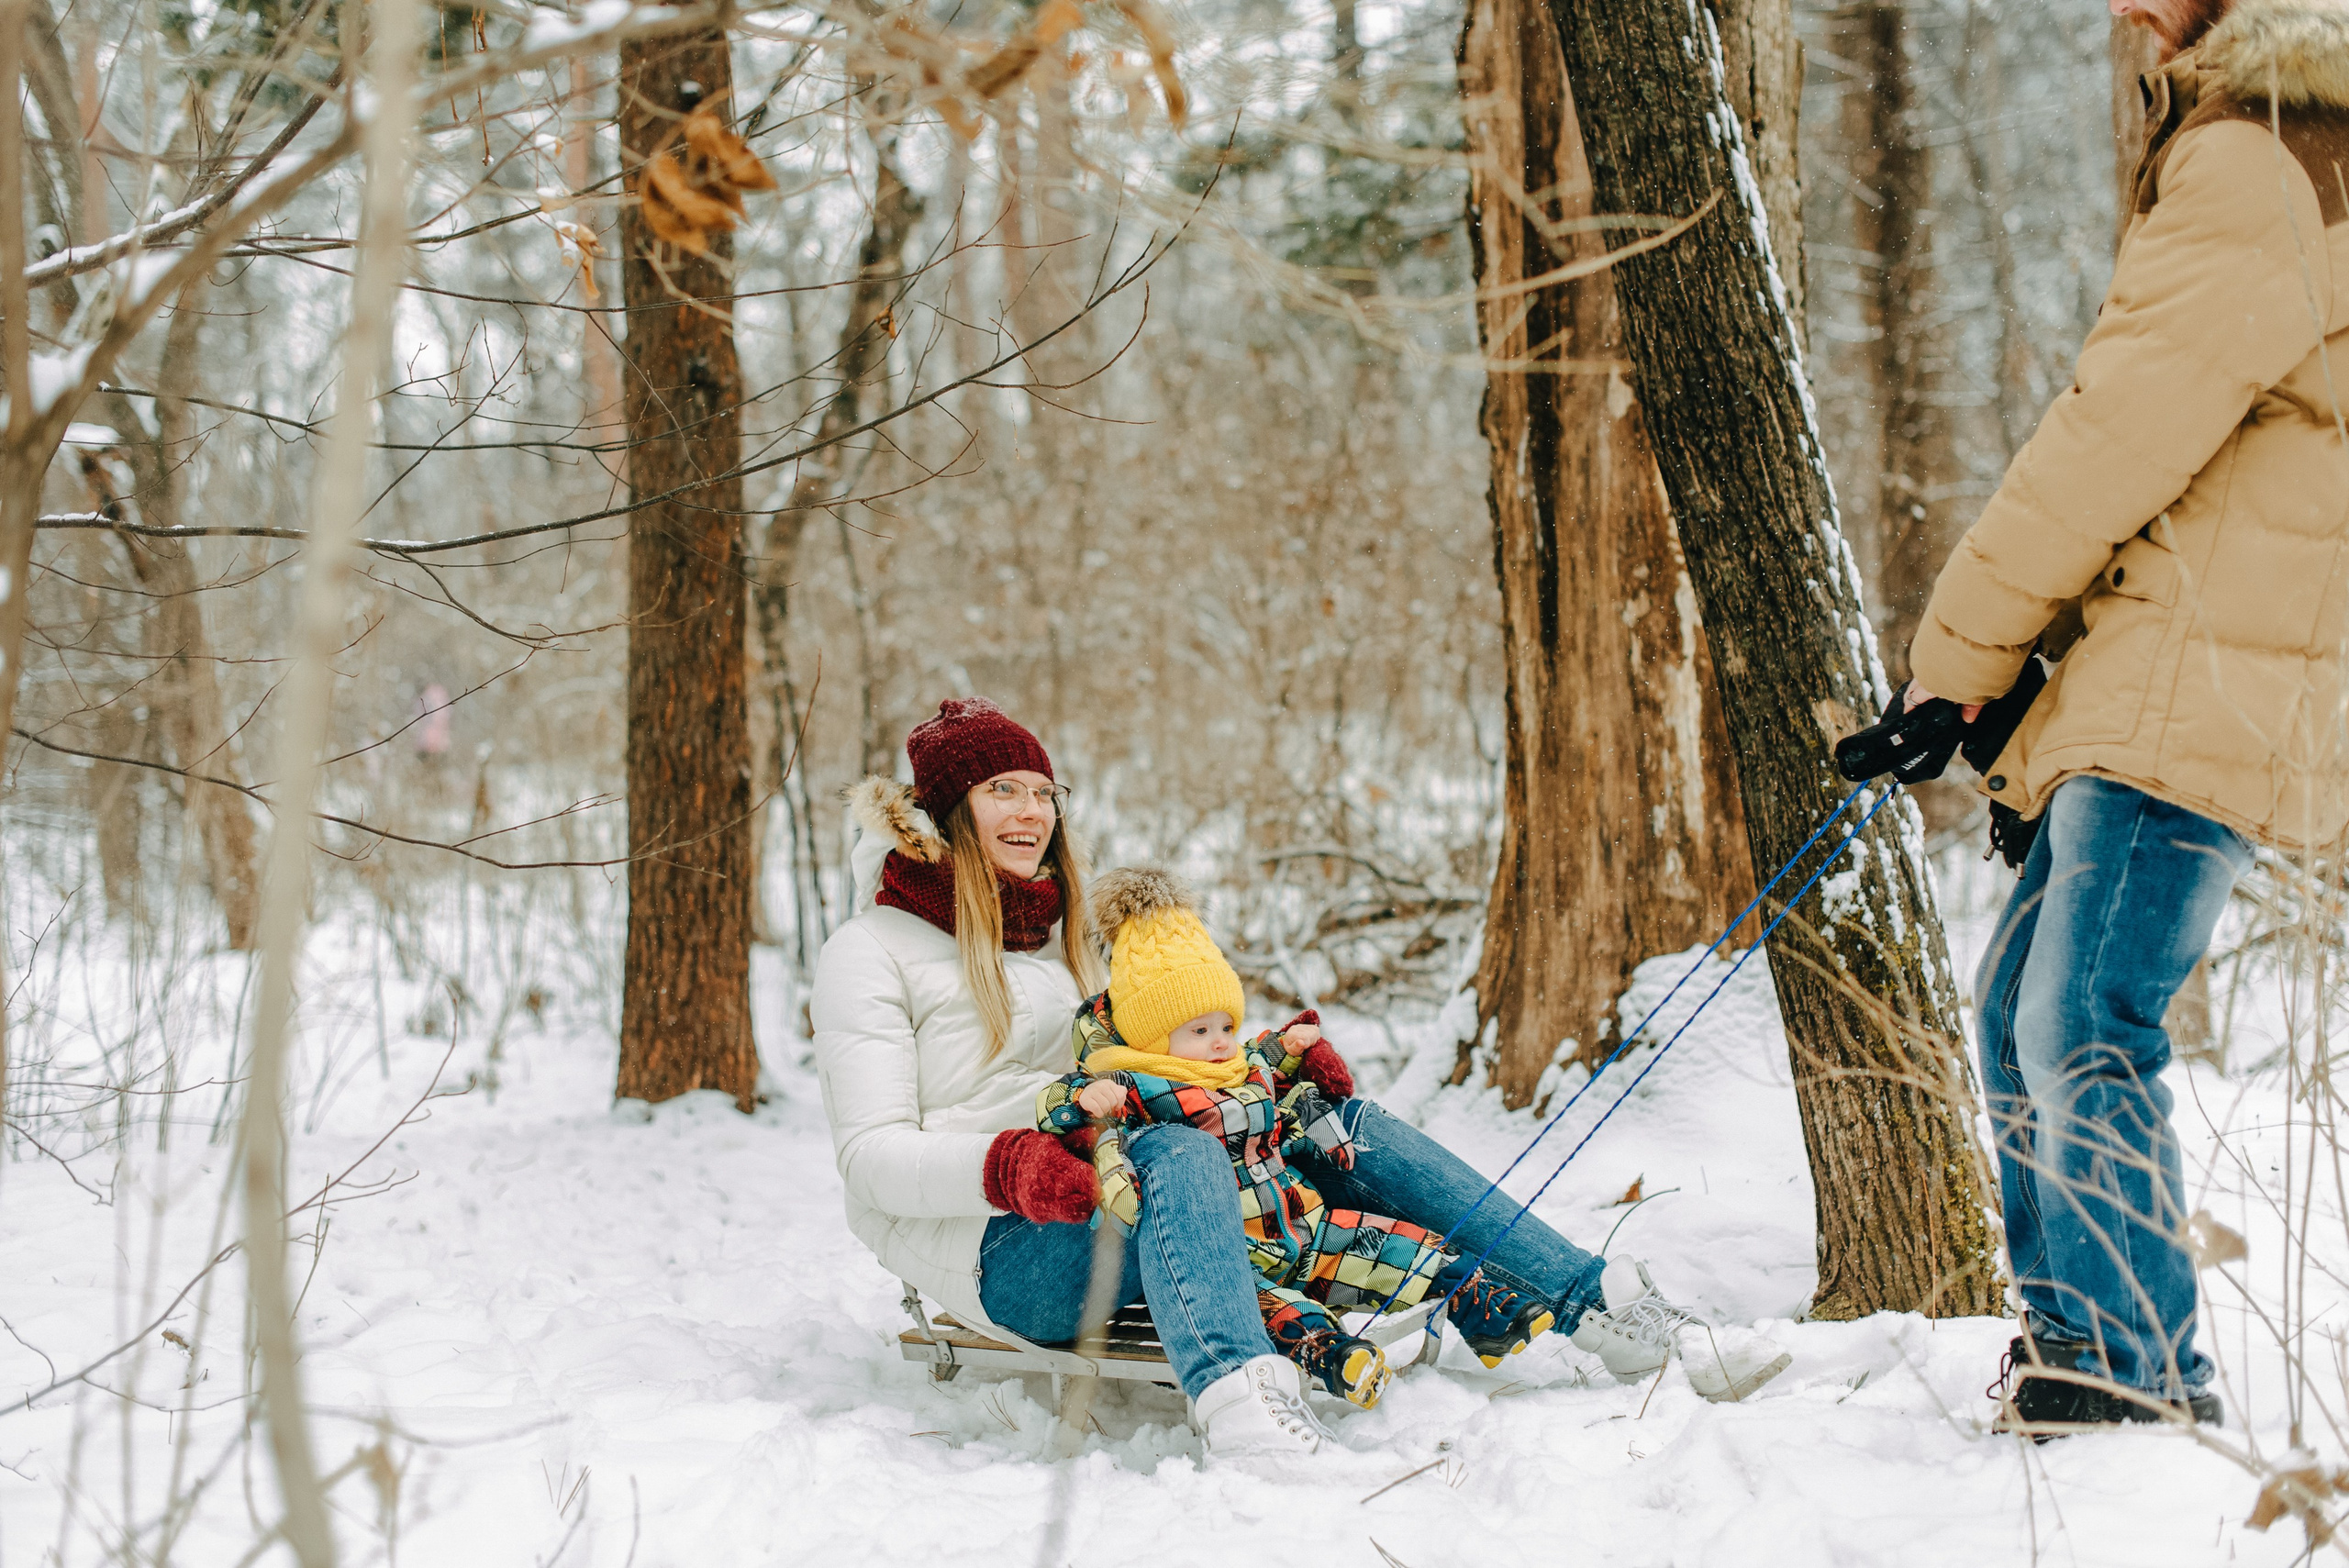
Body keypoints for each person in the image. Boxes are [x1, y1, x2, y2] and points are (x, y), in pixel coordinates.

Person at [811, 696, 1792, 1468]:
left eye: (1041, 791)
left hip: (1127, 1185)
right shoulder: (872, 951)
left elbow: (1154, 1064)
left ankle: (1607, 1309)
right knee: (1177, 1146)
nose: (1029, 812)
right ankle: (1243, 1399)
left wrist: (1264, 1072)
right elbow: (868, 1163)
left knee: (1336, 1122)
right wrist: (1013, 1168)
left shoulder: (1062, 936)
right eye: (1001, 791)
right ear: (945, 810)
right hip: (1003, 1247)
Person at [1898, 0, 2349, 1433]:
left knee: (2082, 1014)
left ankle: (2124, 1376)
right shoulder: (2300, 142)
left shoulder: (2265, 155)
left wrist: (1958, 654)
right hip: (2202, 654)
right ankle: (2091, 1345)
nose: (2123, 11)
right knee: (2020, 1008)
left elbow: (2116, 435)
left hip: (2211, 668)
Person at [1035, 868, 1557, 1411]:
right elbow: (1055, 1105)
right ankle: (1334, 1357)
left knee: (1396, 1244)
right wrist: (1083, 1100)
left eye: (1224, 1027)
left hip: (1304, 1225)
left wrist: (1289, 1044)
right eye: (1199, 1032)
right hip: (1233, 1255)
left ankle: (1481, 1308)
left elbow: (1265, 1057)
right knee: (1279, 1311)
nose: (1219, 1044)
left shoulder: (1240, 1066)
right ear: (1153, 1037)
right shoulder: (1133, 1083)